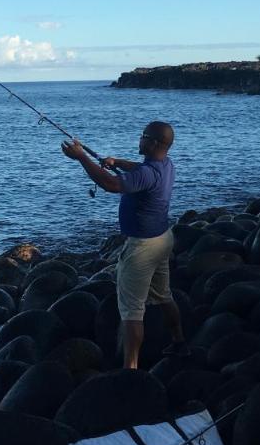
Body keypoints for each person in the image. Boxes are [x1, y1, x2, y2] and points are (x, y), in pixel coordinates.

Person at [61, 121, 185, 369]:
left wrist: (81, 157)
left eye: (143, 136)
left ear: (154, 143)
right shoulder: (165, 165)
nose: (139, 139)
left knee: (132, 311)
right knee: (163, 295)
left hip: (142, 248)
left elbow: (111, 185)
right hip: (162, 239)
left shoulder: (146, 174)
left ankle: (131, 371)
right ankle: (180, 342)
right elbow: (139, 170)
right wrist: (117, 163)